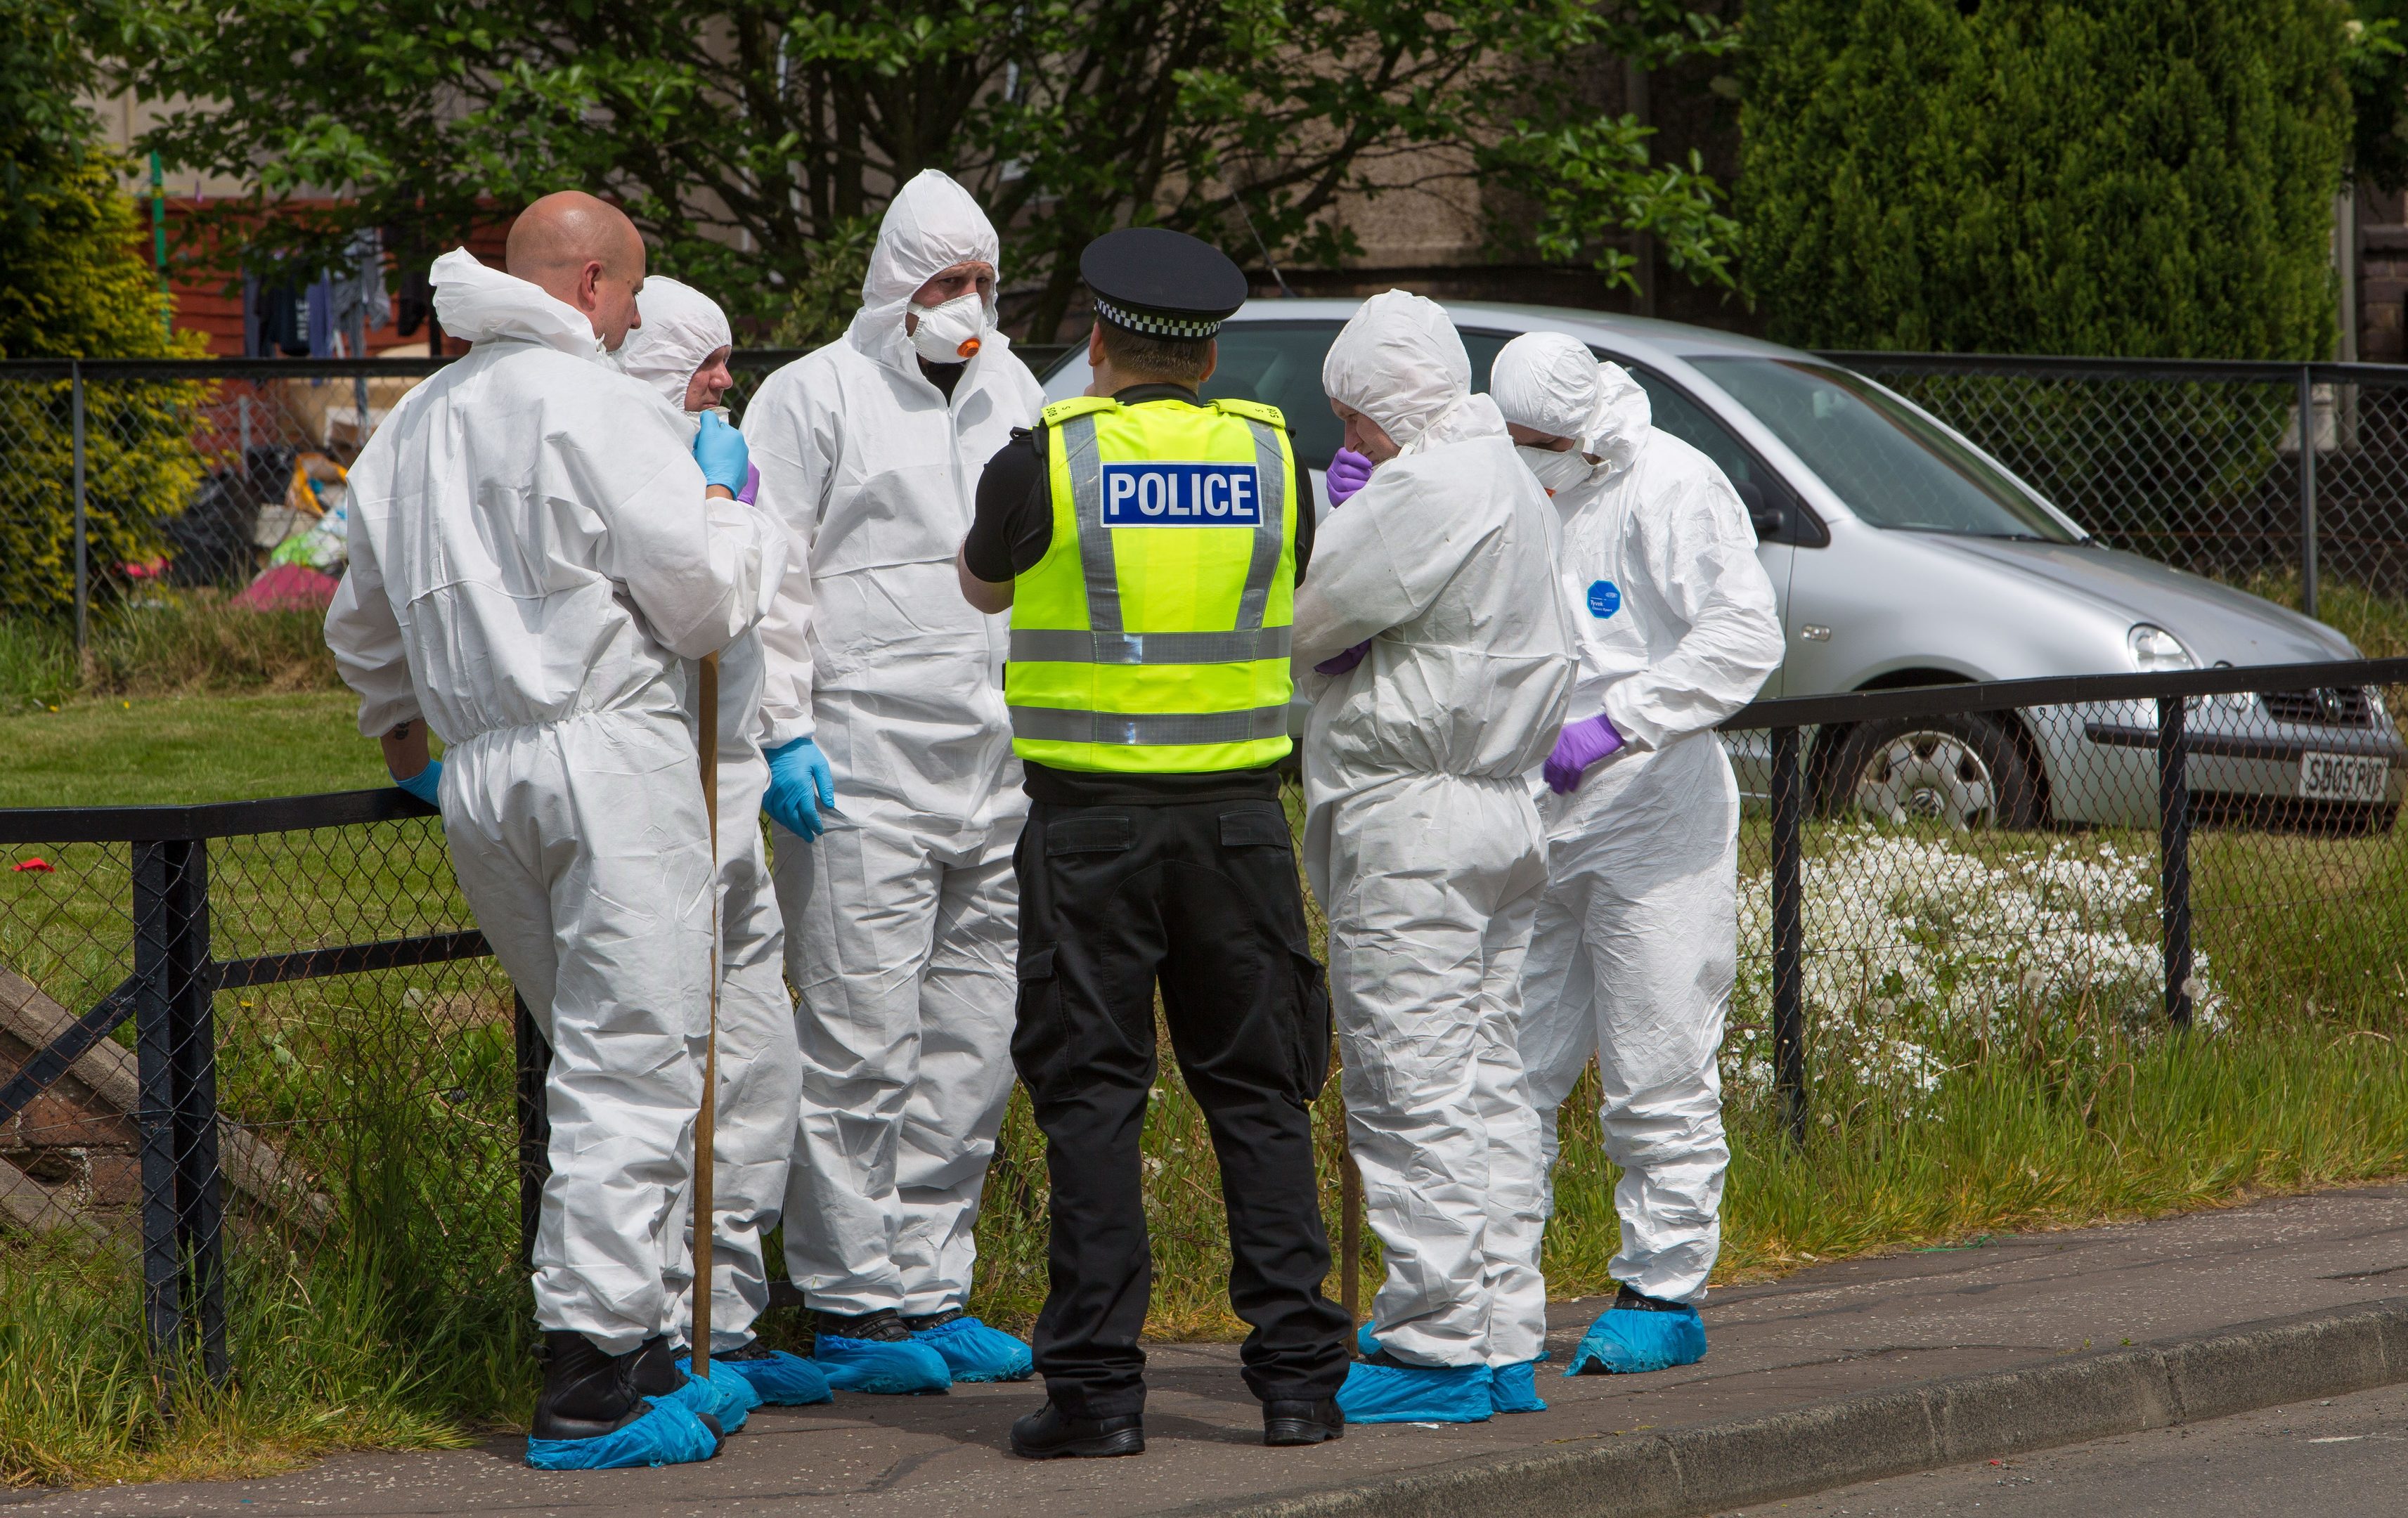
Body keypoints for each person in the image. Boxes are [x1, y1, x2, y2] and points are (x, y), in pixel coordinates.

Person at [325, 193, 785, 1470]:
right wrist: (727, 505)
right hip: (608, 752)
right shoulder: (595, 406)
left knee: (588, 1052)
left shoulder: (412, 426)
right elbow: (695, 603)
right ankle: (587, 1378)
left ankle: (633, 1344)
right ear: (588, 283)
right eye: (630, 295)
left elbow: (362, 627)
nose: (634, 318)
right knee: (632, 1059)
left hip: (482, 775)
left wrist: (410, 745)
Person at [957, 226, 1350, 1460]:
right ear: (1212, 350)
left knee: (1092, 1103)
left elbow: (978, 590)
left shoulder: (1045, 459)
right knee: (1259, 1096)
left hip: (1089, 833)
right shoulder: (1276, 455)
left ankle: (1097, 1399)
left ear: (1095, 341)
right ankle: (1297, 1386)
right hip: (1239, 826)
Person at [744, 170, 1044, 1393]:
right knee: (864, 1037)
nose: (963, 306)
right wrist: (782, 732)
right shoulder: (810, 397)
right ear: (891, 289)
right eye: (941, 284)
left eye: (979, 283)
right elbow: (771, 574)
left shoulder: (1014, 390)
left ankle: (928, 1283)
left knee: (974, 1040)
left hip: (994, 764)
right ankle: (849, 1301)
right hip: (860, 767)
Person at [1293, 290, 1577, 1425]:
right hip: (1500, 811)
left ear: (1388, 401)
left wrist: (1342, 522)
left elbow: (1315, 622)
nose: (1346, 442)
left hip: (1415, 814)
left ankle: (1432, 1347)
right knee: (1487, 1081)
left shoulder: (1426, 482)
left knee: (1410, 1083)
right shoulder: (1500, 470)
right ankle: (1501, 1330)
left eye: (1353, 418)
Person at [1489, 331, 1783, 1377]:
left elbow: (1744, 637)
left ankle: (1661, 1289)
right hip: (1531, 811)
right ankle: (1482, 1294)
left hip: (1653, 816)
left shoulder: (1669, 485)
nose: (1523, 456)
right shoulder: (1515, 474)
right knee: (1508, 1067)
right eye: (1510, 439)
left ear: (1580, 434)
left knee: (1656, 1062)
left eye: (1535, 443)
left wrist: (1624, 721)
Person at [612, 278, 831, 1410]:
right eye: (708, 360)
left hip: (735, 790)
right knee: (660, 1078)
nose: (725, 382)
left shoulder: (729, 460)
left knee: (756, 1067)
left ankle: (726, 1325)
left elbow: (779, 606)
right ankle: (650, 1331)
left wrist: (788, 734)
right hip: (652, 804)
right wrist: (705, 500)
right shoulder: (620, 463)